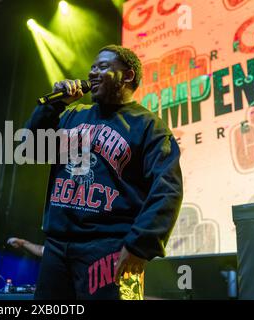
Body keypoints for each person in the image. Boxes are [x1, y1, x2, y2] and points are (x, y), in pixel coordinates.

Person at [25, 44, 183, 300]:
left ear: (128, 76)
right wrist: (52, 106)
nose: (93, 73)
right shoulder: (71, 116)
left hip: (114, 248)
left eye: (103, 67)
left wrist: (139, 247)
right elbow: (30, 150)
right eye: (92, 68)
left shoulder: (150, 127)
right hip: (57, 248)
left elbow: (168, 188)